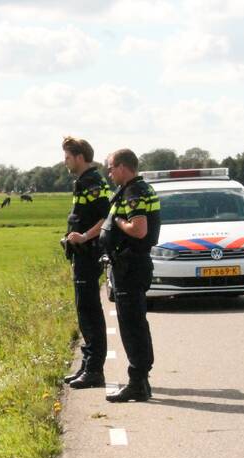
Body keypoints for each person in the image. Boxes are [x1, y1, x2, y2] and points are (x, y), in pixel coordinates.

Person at [100, 149, 161, 402]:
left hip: (131, 265)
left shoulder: (134, 192)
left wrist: (118, 221)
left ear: (124, 167)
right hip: (133, 264)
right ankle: (141, 381)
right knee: (136, 322)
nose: (109, 172)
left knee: (132, 325)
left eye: (111, 167)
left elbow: (138, 230)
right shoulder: (140, 189)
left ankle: (137, 381)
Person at [61, 137, 111, 389]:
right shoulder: (83, 181)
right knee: (84, 311)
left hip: (88, 254)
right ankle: (88, 364)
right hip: (80, 254)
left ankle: (94, 370)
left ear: (80, 157)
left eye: (67, 157)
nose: (65, 161)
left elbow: (106, 216)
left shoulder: (93, 182)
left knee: (90, 311)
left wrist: (84, 236)